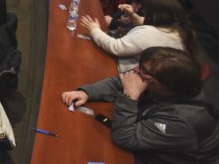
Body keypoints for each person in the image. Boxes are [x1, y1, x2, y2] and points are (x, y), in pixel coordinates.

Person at [61, 47, 219, 163]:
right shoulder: (159, 81)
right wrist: (87, 93)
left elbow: (125, 138)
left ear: (164, 84)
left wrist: (130, 96)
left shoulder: (184, 121)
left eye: (142, 70)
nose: (135, 70)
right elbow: (121, 81)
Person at [79, 0, 197, 71]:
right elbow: (145, 22)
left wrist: (94, 29)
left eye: (146, 12)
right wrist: (132, 15)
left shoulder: (149, 33)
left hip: (127, 72)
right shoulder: (178, 29)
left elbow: (115, 47)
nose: (143, 14)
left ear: (154, 15)